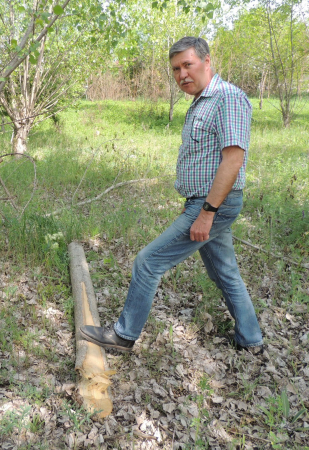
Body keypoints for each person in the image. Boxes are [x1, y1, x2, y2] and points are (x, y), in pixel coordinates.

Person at [80, 36, 264, 355]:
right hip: (205, 202)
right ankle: (251, 340)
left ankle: (124, 336)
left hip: (213, 204)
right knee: (225, 272)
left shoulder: (227, 98)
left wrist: (207, 212)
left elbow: (233, 160)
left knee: (148, 261)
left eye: (188, 65)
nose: (182, 75)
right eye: (176, 69)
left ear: (207, 62)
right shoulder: (201, 102)